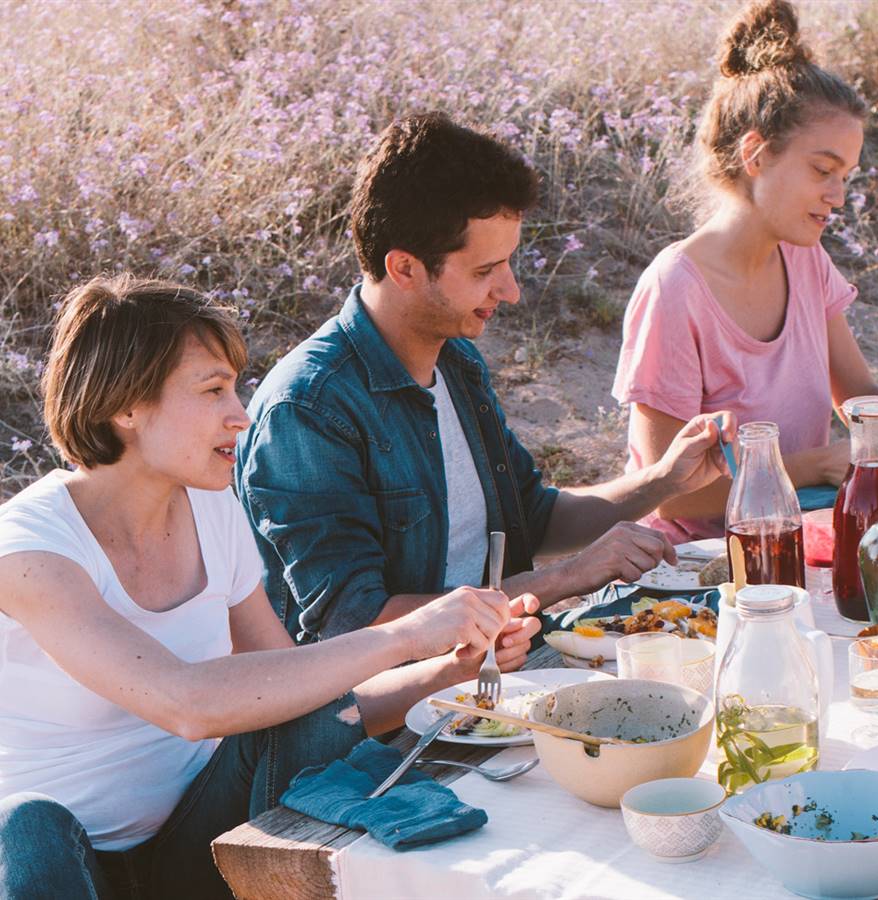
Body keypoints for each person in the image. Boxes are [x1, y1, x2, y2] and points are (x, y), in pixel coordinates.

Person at [0, 276, 520, 900]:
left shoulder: (212, 509)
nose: (239, 414)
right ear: (127, 406)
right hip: (58, 871)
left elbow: (303, 699)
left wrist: (450, 669)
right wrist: (406, 635)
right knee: (25, 821)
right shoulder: (30, 549)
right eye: (213, 389)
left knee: (296, 707)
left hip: (189, 846)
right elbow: (184, 703)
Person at [235, 111, 736, 645]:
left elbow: (533, 517)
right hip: (386, 718)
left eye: (508, 263)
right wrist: (561, 580)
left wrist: (663, 481)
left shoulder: (455, 361)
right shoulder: (308, 409)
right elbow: (352, 621)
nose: (511, 290)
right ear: (404, 269)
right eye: (484, 271)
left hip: (497, 668)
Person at [612, 0, 878, 542]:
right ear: (756, 154)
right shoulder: (675, 289)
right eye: (822, 170)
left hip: (796, 537)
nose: (837, 197)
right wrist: (814, 465)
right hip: (693, 572)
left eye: (846, 176)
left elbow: (862, 399)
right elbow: (671, 496)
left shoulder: (806, 258)